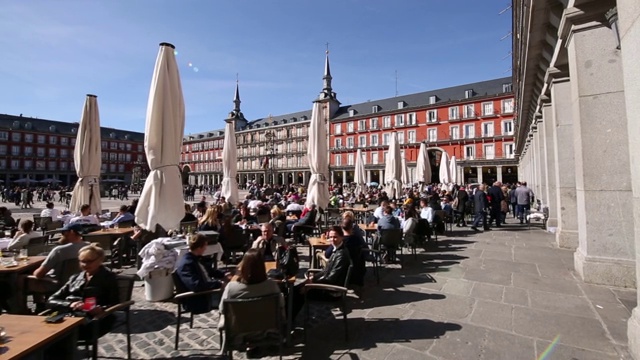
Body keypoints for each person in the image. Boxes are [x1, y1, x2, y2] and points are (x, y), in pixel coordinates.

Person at [47, 243, 120, 338]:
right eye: (82, 261)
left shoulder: (108, 278)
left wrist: (101, 309)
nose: (85, 265)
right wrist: (70, 304)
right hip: (69, 315)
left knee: (61, 334)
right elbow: (51, 300)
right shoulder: (75, 278)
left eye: (89, 261)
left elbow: (115, 302)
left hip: (94, 319)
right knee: (46, 330)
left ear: (100, 260)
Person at [29, 223, 89, 312]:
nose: (62, 235)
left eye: (64, 232)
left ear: (71, 232)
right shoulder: (88, 247)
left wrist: (33, 272)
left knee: (22, 279)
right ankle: (40, 305)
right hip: (80, 282)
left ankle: (20, 309)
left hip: (57, 283)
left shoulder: (59, 251)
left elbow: (39, 274)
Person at [218, 249, 284, 331]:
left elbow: (222, 309)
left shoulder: (231, 288)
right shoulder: (271, 286)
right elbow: (281, 305)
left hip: (239, 333)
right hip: (266, 331)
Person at [175, 234, 229, 313]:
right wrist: (218, 284)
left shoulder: (197, 258)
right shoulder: (187, 264)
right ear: (199, 247)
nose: (206, 249)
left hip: (206, 292)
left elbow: (210, 271)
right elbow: (196, 285)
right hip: (198, 300)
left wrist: (224, 274)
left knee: (230, 293)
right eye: (205, 246)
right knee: (231, 299)